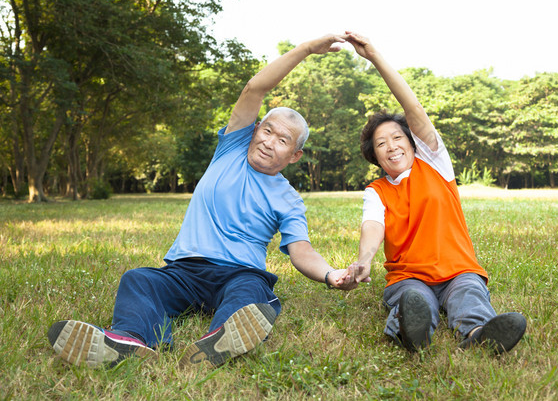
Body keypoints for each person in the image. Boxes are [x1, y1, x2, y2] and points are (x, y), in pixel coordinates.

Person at [47, 33, 367, 369]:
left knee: (248, 296)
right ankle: (131, 340)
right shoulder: (231, 149)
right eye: (267, 130)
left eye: (283, 140)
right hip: (185, 271)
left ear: (295, 155)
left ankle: (219, 340)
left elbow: (302, 251)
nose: (270, 141)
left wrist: (332, 275)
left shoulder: (288, 199)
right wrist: (306, 49)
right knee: (138, 279)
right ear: (255, 129)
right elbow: (254, 90)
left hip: (239, 274)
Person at [344, 32, 526, 354]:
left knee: (469, 293)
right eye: (381, 144)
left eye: (397, 138)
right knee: (415, 300)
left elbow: (411, 106)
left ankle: (480, 336)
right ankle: (411, 332)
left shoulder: (435, 164)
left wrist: (374, 56)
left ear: (412, 143)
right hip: (409, 276)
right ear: (376, 157)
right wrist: (364, 259)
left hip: (458, 270)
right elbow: (373, 226)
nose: (391, 146)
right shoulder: (377, 191)